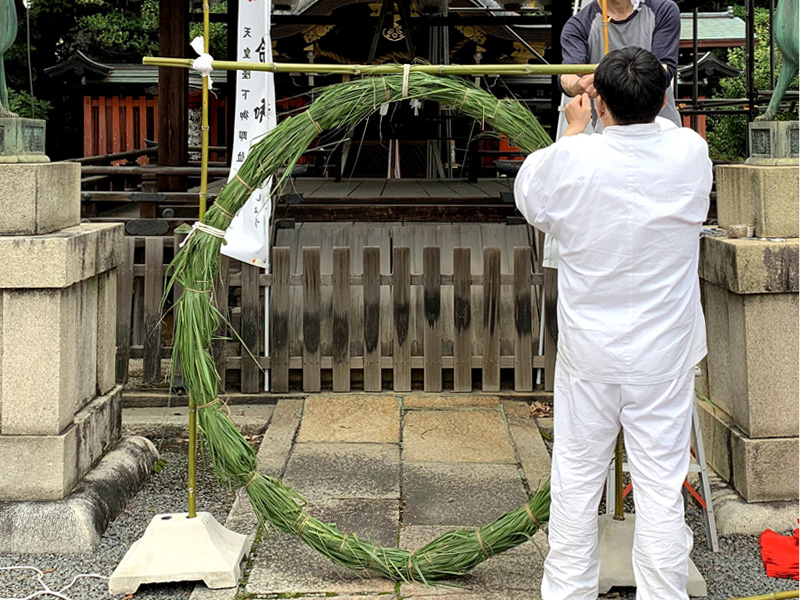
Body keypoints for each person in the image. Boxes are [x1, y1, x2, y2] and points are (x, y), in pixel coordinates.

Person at [514, 47, 712, 599]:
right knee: (660, 487)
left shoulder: (572, 161)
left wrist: (573, 131)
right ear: (666, 98)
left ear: (598, 101)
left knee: (576, 482)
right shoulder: (692, 153)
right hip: (663, 354)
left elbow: (532, 199)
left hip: (592, 353)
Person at [560, 0, 682, 128]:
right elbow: (567, 75)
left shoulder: (662, 9)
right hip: (610, 135)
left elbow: (664, 72)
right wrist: (578, 84)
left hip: (661, 130)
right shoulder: (578, 25)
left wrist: (611, 81)